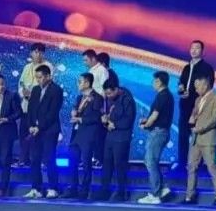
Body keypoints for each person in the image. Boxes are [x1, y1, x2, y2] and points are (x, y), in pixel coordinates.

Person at [184, 74, 216, 205]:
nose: (195, 90)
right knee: (191, 167)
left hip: (208, 138)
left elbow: (214, 120)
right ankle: (190, 196)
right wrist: (192, 119)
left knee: (212, 167)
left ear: (205, 85)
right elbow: (195, 114)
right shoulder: (198, 99)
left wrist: (199, 129)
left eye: (197, 87)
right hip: (195, 138)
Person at [25, 65, 63, 199]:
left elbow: (52, 112)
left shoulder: (56, 90)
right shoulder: (35, 90)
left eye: (40, 77)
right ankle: (36, 188)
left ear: (48, 76)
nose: (38, 80)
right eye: (36, 77)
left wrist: (39, 127)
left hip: (49, 130)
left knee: (49, 158)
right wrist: (30, 125)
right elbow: (30, 109)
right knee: (34, 159)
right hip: (35, 131)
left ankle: (53, 188)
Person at [177, 40, 215, 171]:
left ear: (202, 51)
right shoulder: (186, 67)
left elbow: (207, 88)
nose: (193, 50)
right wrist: (181, 90)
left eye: (197, 48)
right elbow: (181, 83)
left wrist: (192, 93)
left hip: (198, 106)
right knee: (183, 134)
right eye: (192, 48)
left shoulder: (207, 68)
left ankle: (200, 164)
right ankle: (182, 163)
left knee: (199, 135)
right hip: (185, 105)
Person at [65, 72, 103, 200]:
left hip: (88, 134)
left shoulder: (97, 98)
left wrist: (80, 119)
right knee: (72, 160)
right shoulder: (79, 97)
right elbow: (76, 111)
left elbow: (97, 117)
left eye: (80, 81)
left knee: (86, 163)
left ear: (87, 83)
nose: (78, 84)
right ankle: (73, 187)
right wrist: (74, 112)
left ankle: (85, 189)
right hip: (76, 134)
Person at [138, 71, 174, 204]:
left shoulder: (162, 96)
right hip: (161, 132)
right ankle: (161, 189)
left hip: (158, 132)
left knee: (150, 161)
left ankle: (155, 193)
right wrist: (147, 121)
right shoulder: (167, 95)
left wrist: (146, 125)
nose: (152, 83)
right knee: (151, 161)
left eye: (154, 81)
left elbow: (155, 115)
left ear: (159, 81)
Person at [100, 78, 136, 202]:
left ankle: (122, 192)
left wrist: (114, 125)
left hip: (122, 138)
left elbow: (128, 120)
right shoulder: (110, 99)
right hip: (110, 137)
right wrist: (105, 120)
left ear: (116, 89)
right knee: (106, 163)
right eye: (106, 94)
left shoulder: (127, 99)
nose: (108, 96)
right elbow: (109, 116)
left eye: (110, 93)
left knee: (120, 165)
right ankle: (105, 190)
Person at [17, 43, 49, 167]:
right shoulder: (27, 67)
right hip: (26, 106)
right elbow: (20, 83)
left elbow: (47, 87)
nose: (38, 54)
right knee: (24, 133)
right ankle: (23, 159)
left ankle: (38, 160)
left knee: (37, 134)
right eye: (35, 52)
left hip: (39, 108)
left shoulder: (47, 66)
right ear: (31, 53)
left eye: (40, 52)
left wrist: (33, 95)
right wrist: (23, 93)